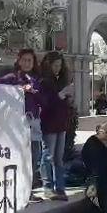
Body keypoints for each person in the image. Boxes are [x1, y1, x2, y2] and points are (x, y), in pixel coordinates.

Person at [0, 49, 45, 202]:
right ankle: (16, 191)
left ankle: (29, 191)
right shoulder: (12, 78)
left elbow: (43, 101)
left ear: (33, 63)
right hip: (15, 125)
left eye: (30, 61)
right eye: (24, 60)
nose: (27, 63)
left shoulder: (37, 80)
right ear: (19, 61)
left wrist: (33, 91)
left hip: (32, 122)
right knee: (17, 157)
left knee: (33, 157)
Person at [39, 51, 72, 201]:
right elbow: (44, 103)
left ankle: (60, 188)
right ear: (48, 65)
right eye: (55, 65)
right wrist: (60, 95)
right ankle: (47, 188)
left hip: (61, 124)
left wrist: (67, 96)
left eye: (59, 65)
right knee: (48, 156)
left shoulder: (61, 79)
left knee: (59, 158)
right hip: (49, 123)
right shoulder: (43, 81)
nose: (57, 68)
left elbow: (64, 104)